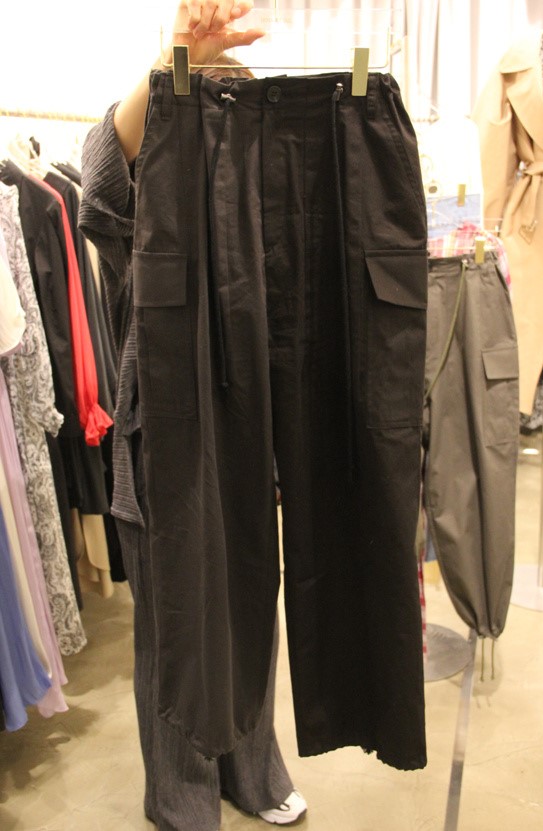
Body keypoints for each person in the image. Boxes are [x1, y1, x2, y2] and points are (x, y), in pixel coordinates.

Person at [79, 2, 307, 829]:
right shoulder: (142, 211)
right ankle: (179, 790)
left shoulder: (259, 206)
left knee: (248, 600)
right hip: (161, 441)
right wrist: (173, 62)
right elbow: (100, 177)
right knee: (175, 624)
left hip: (247, 438)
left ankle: (252, 764)